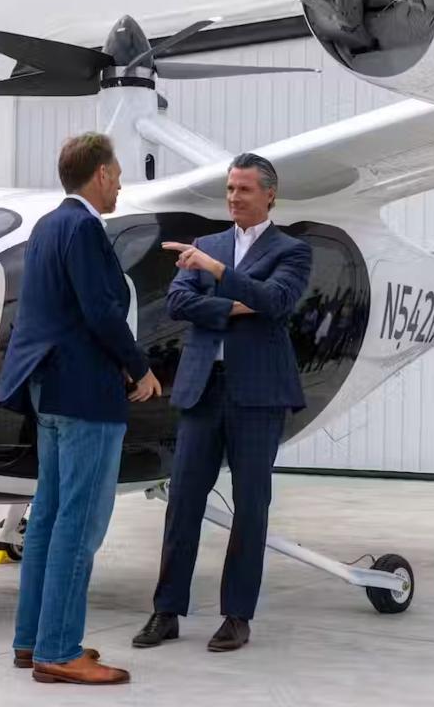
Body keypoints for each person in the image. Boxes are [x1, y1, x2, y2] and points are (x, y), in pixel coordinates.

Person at [0, 132, 162, 685]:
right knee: (80, 522)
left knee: (46, 515)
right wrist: (139, 368)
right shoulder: (86, 228)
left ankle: (31, 641)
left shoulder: (45, 227)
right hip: (87, 391)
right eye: (116, 174)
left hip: (49, 389)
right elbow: (100, 310)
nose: (120, 183)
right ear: (99, 175)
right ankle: (59, 651)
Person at [132, 152, 311, 653]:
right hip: (202, 389)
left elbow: (275, 302)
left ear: (269, 194)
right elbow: (177, 303)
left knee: (251, 507)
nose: (233, 197)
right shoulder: (207, 243)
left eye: (244, 190)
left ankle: (237, 615)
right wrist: (232, 305)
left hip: (258, 395)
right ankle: (166, 611)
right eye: (230, 188)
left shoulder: (291, 250)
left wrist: (215, 272)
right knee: (183, 503)